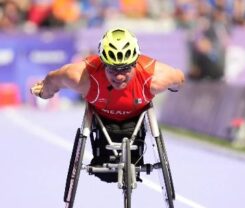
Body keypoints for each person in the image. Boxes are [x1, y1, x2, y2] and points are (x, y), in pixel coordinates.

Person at [30, 28, 185, 182]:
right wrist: (45, 92)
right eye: (112, 69)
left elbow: (179, 78)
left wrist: (173, 85)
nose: (119, 76)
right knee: (107, 174)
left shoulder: (154, 78)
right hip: (101, 121)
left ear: (135, 63)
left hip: (136, 120)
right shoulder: (82, 77)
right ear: (103, 63)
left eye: (125, 69)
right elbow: (53, 79)